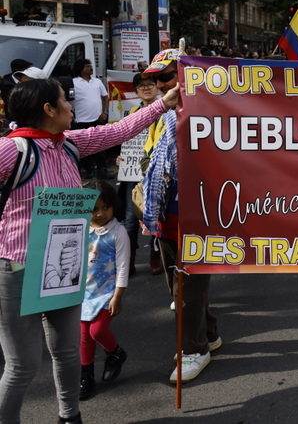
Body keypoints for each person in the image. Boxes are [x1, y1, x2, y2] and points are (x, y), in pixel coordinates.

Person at [0, 77, 178, 424]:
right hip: (18, 270)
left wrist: (163, 103)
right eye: (65, 101)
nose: (71, 106)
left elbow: (118, 131)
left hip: (64, 268)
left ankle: (70, 417)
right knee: (22, 366)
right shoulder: (12, 151)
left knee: (67, 353)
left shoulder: (68, 144)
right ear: (47, 109)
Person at [141, 49, 222, 383]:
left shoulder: (211, 115)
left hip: (196, 215)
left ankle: (194, 349)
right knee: (180, 285)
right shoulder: (161, 115)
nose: (160, 85)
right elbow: (149, 157)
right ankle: (209, 334)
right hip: (165, 215)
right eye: (155, 79)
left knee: (185, 290)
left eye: (166, 77)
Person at [79, 179, 129, 401]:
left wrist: (117, 297)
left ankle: (115, 353)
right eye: (93, 209)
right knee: (83, 336)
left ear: (113, 206)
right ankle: (85, 375)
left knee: (97, 331)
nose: (100, 214)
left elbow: (123, 267)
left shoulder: (118, 232)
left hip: (106, 293)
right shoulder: (80, 228)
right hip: (83, 293)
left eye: (105, 207)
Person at [117, 73, 163, 276]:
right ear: (136, 91)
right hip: (132, 172)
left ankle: (156, 256)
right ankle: (128, 260)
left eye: (150, 84)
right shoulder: (132, 113)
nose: (146, 88)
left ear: (157, 87)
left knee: (155, 215)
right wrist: (121, 158)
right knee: (129, 218)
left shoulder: (167, 111)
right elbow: (125, 140)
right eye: (141, 86)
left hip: (157, 171)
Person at [71, 58, 112, 179]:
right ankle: (89, 171)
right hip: (82, 120)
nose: (90, 68)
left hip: (98, 119)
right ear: (80, 69)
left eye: (90, 66)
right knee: (85, 147)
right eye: (87, 66)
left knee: (100, 145)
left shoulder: (97, 82)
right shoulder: (73, 82)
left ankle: (102, 170)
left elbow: (105, 97)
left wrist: (104, 112)